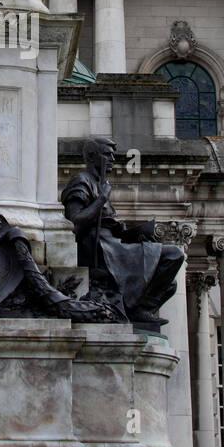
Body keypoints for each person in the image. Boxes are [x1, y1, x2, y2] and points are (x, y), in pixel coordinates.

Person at [61, 137, 183, 323]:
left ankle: (137, 309)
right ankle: (138, 308)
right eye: (107, 155)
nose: (112, 159)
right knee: (173, 254)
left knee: (169, 283)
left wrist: (133, 233)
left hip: (113, 245)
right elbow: (75, 222)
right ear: (93, 156)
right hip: (101, 250)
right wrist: (101, 199)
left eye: (113, 155)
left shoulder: (101, 183)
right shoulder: (81, 181)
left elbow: (108, 223)